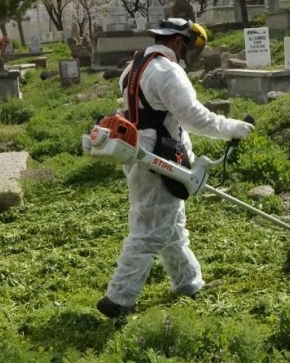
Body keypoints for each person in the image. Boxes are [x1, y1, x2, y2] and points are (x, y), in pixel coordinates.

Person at [97, 18, 253, 318]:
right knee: (149, 231)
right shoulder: (166, 71)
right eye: (191, 48)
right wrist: (233, 128)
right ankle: (118, 298)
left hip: (141, 150)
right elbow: (196, 118)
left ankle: (189, 283)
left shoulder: (135, 66)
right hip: (160, 156)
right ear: (180, 42)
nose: (190, 55)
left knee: (171, 226)